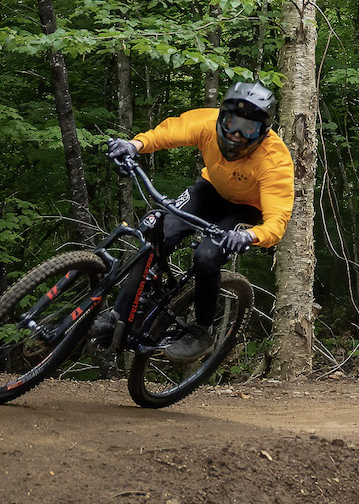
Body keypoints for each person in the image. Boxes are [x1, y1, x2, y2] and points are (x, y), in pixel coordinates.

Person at [103, 82, 293, 361]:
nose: (237, 135)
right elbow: (170, 132)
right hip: (208, 191)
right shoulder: (206, 124)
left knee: (206, 256)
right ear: (220, 118)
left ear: (262, 133)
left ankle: (202, 331)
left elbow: (277, 220)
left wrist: (250, 236)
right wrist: (134, 145)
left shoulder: (274, 161)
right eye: (231, 123)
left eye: (248, 129)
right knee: (155, 232)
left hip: (246, 211)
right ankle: (118, 316)